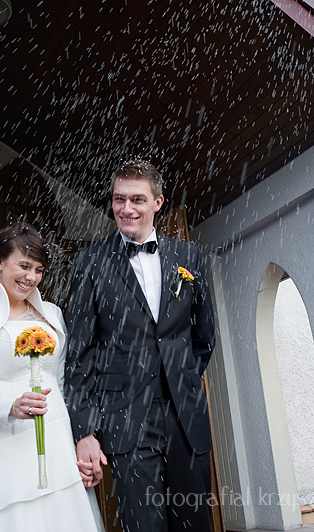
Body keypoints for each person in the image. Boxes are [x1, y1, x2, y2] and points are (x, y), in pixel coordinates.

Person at [65, 159, 216, 532]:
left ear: (158, 203)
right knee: (143, 524)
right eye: (119, 199)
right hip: (126, 418)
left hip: (185, 416)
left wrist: (181, 375)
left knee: (194, 521)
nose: (126, 209)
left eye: (137, 199)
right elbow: (79, 353)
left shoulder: (188, 257)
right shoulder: (89, 262)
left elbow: (204, 335)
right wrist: (85, 430)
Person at [0, 222, 104, 532]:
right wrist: (8, 407)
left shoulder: (53, 314)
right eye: (25, 265)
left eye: (39, 269)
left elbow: (62, 384)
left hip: (57, 443)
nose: (32, 277)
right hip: (3, 443)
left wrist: (80, 442)